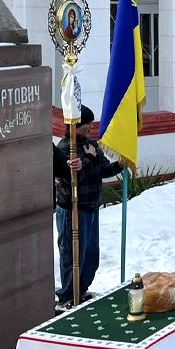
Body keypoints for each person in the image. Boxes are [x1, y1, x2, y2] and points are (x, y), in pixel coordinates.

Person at [53, 105, 123, 312]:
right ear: (75, 127)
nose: (90, 129)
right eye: (87, 126)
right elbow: (73, 176)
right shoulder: (65, 148)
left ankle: (82, 290)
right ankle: (68, 295)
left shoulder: (92, 145)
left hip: (91, 207)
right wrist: (88, 159)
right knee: (73, 254)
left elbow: (103, 169)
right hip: (72, 210)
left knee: (91, 254)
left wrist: (119, 165)